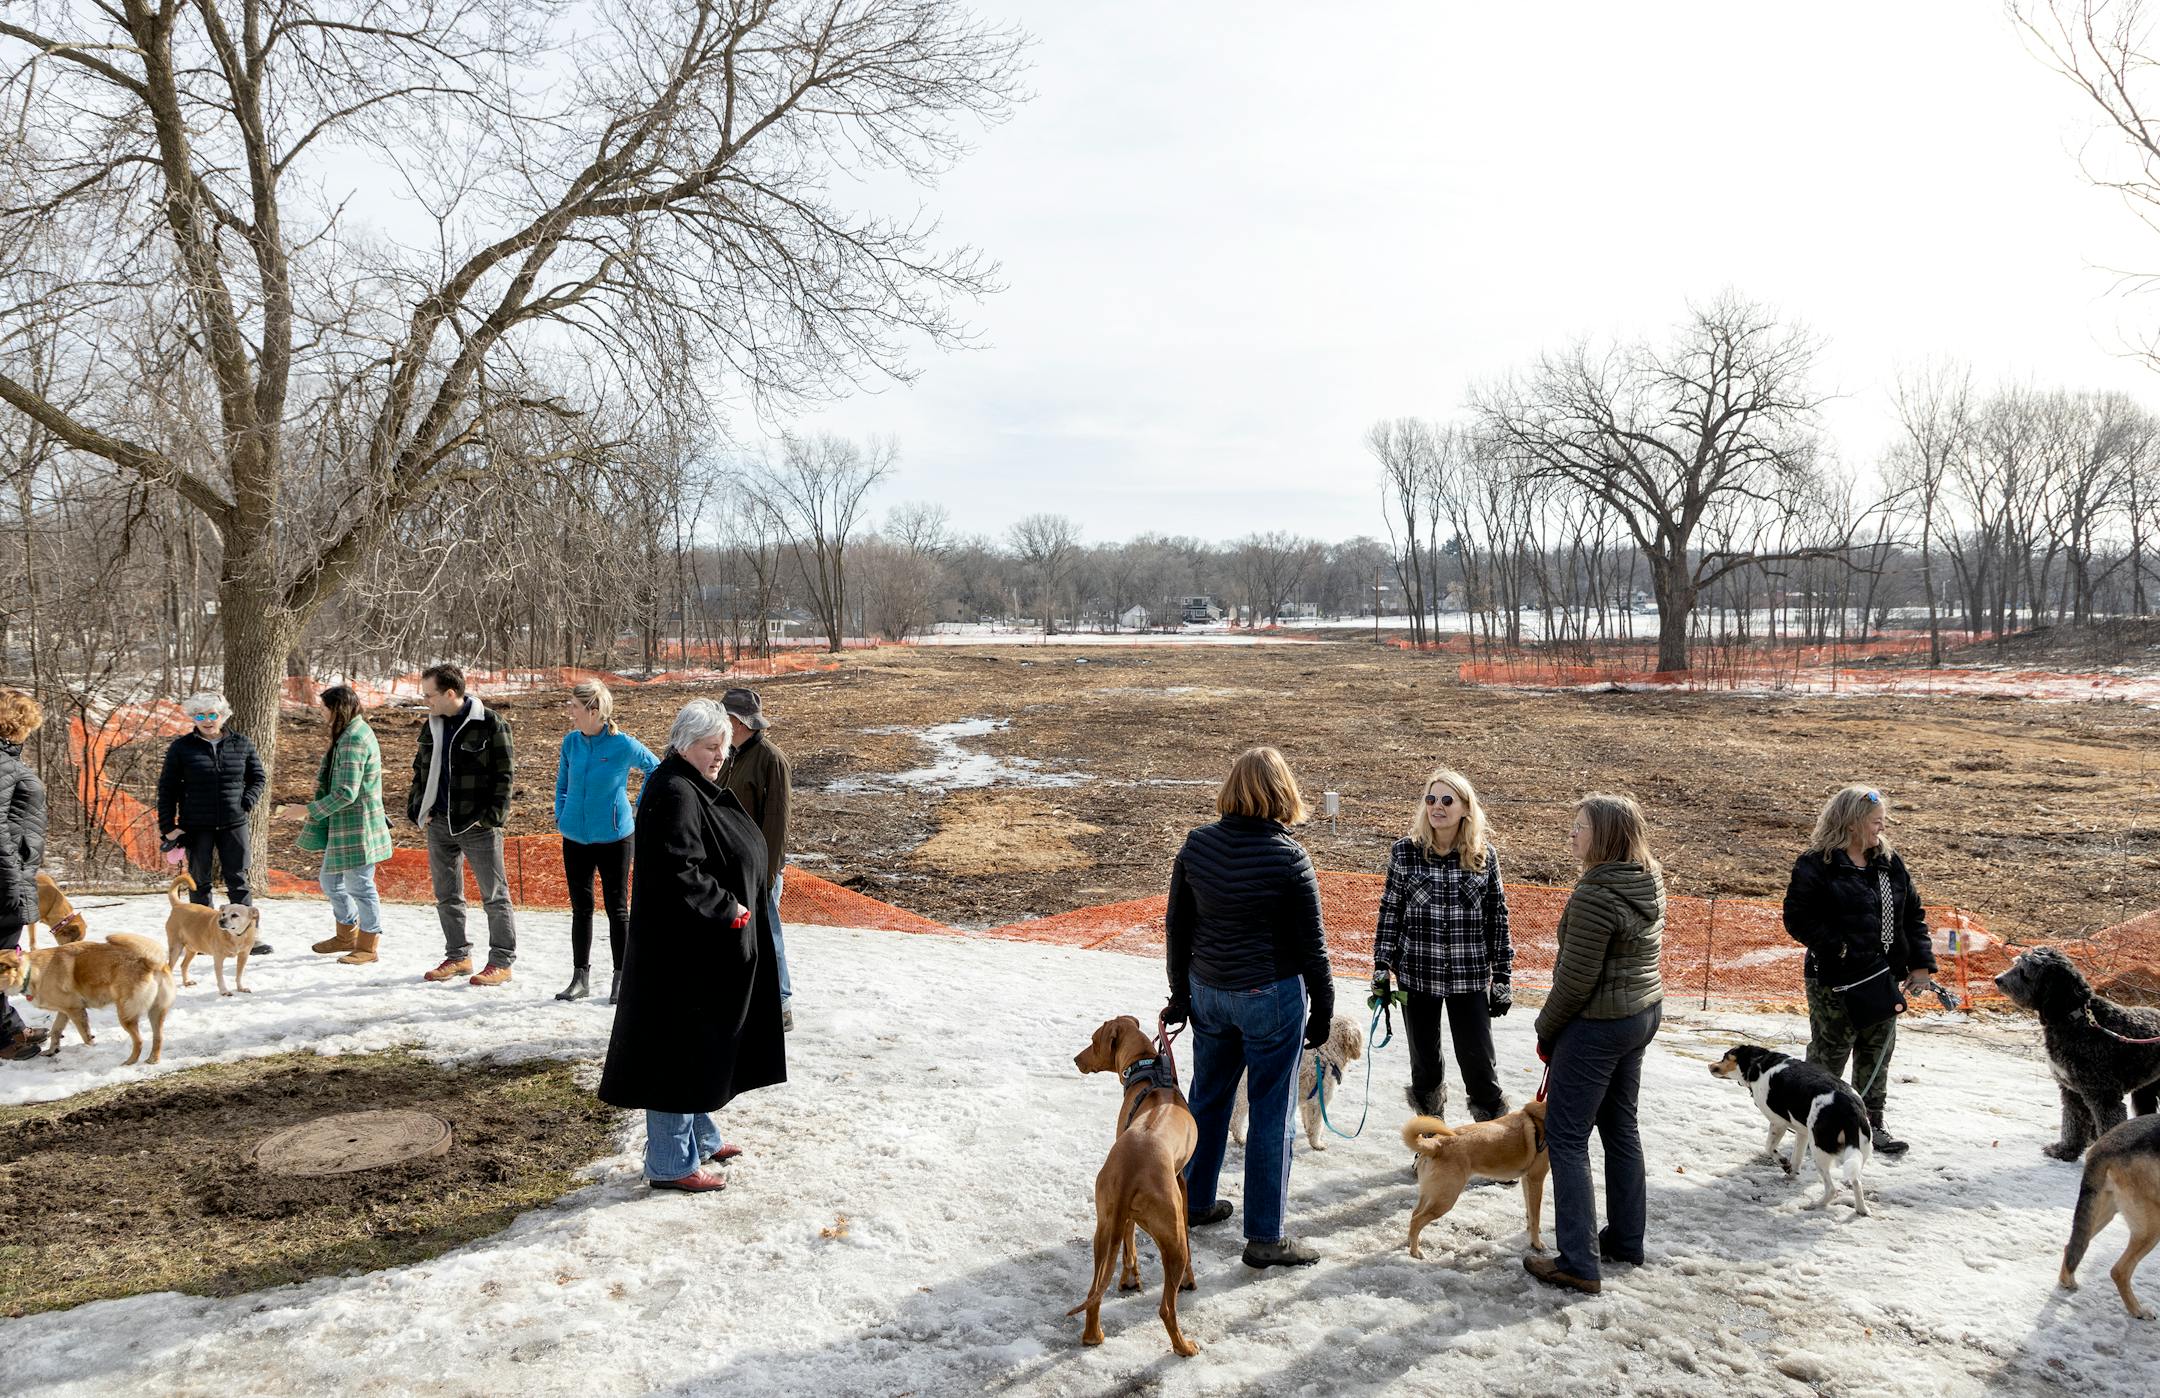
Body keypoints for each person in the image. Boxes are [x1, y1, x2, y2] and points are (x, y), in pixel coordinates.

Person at [599, 698, 786, 1193]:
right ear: (684, 745)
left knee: (698, 1047)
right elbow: (679, 869)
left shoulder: (685, 783)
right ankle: (669, 1162)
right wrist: (729, 908)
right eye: (710, 747)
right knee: (675, 1056)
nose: (720, 756)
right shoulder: (675, 791)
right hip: (679, 953)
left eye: (723, 746)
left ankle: (700, 1137)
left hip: (694, 949)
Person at [1163, 745, 1335, 1270]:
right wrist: (1324, 1010)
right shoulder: (1289, 856)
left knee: (1208, 1099)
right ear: (1284, 793)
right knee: (1270, 1112)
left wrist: (1180, 994)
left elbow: (1177, 928)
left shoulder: (1197, 846)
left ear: (1231, 789)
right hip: (1271, 997)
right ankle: (1265, 1237)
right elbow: (1313, 947)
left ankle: (1191, 1204)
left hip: (1210, 991)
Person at [1527, 793, 1666, 1296]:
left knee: (1565, 1137)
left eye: (1580, 826)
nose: (1572, 834)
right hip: (1640, 1014)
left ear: (1604, 835)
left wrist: (1546, 1028)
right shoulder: (1647, 879)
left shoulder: (1595, 894)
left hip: (1599, 1025)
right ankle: (1626, 1240)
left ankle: (1578, 1263)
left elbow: (1575, 980)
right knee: (1620, 1128)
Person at [1782, 785, 1937, 1157]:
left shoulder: (1889, 863)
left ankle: (1870, 1124)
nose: (1880, 828)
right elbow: (1797, 919)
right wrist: (1840, 947)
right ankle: (1811, 1125)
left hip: (1881, 977)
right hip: (1832, 980)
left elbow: (1912, 916)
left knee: (1876, 1051)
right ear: (1851, 822)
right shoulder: (1817, 864)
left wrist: (1920, 965)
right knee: (1829, 1054)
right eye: (1874, 821)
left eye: (1883, 820)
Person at [1370, 766, 1514, 1121]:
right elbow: (1391, 912)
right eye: (1431, 799)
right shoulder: (1405, 853)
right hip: (1417, 976)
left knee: (1479, 1064)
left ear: (1465, 807)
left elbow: (1497, 917)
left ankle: (1495, 1145)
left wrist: (1504, 978)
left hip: (1469, 976)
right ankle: (1432, 1144)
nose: (1437, 806)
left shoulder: (1483, 856)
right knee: (1425, 1067)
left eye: (1447, 800)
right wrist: (1380, 965)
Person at [406, 664, 518, 986]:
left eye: (429, 695)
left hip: (477, 825)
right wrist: (418, 808)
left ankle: (501, 961)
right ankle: (458, 956)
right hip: (438, 822)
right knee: (447, 895)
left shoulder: (491, 724)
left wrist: (491, 817)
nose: (425, 701)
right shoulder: (432, 725)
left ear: (450, 693)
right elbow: (420, 770)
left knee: (494, 896)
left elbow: (504, 777)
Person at [554, 679, 659, 1003]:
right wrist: (562, 814)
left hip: (615, 837)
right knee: (580, 909)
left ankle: (621, 978)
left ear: (594, 710)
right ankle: (579, 978)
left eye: (575, 706)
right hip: (574, 837)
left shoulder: (623, 744)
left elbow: (655, 768)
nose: (570, 712)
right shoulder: (571, 743)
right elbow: (561, 785)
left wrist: (638, 804)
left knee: (618, 909)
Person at [155, 691, 272, 953]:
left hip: (234, 822)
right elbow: (167, 789)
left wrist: (246, 802)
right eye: (200, 715)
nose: (207, 720)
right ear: (193, 717)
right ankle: (204, 938)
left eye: (212, 715)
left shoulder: (241, 743)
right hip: (196, 825)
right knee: (200, 880)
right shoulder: (181, 748)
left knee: (237, 878)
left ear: (222, 716)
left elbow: (258, 778)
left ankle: (248, 936)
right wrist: (168, 828)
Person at [301, 685, 394, 966]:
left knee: (360, 886)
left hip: (359, 827)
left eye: (324, 708)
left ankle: (368, 944)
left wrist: (308, 810)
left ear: (337, 709)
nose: (321, 712)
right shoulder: (348, 734)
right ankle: (346, 935)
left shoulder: (354, 738)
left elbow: (346, 792)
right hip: (343, 826)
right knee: (330, 881)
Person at [718, 687, 794, 1029]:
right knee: (740, 935)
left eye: (726, 718)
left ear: (739, 721)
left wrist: (769, 873)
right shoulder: (729, 754)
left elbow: (777, 821)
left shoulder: (771, 759)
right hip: (731, 864)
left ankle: (781, 1005)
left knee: (768, 933)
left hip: (760, 869)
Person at [0, 689, 48, 1060]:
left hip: (13, 870)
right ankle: (6, 1039)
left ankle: (10, 1029)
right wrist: (11, 879)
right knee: (2, 960)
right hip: (5, 877)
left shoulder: (6, 758)